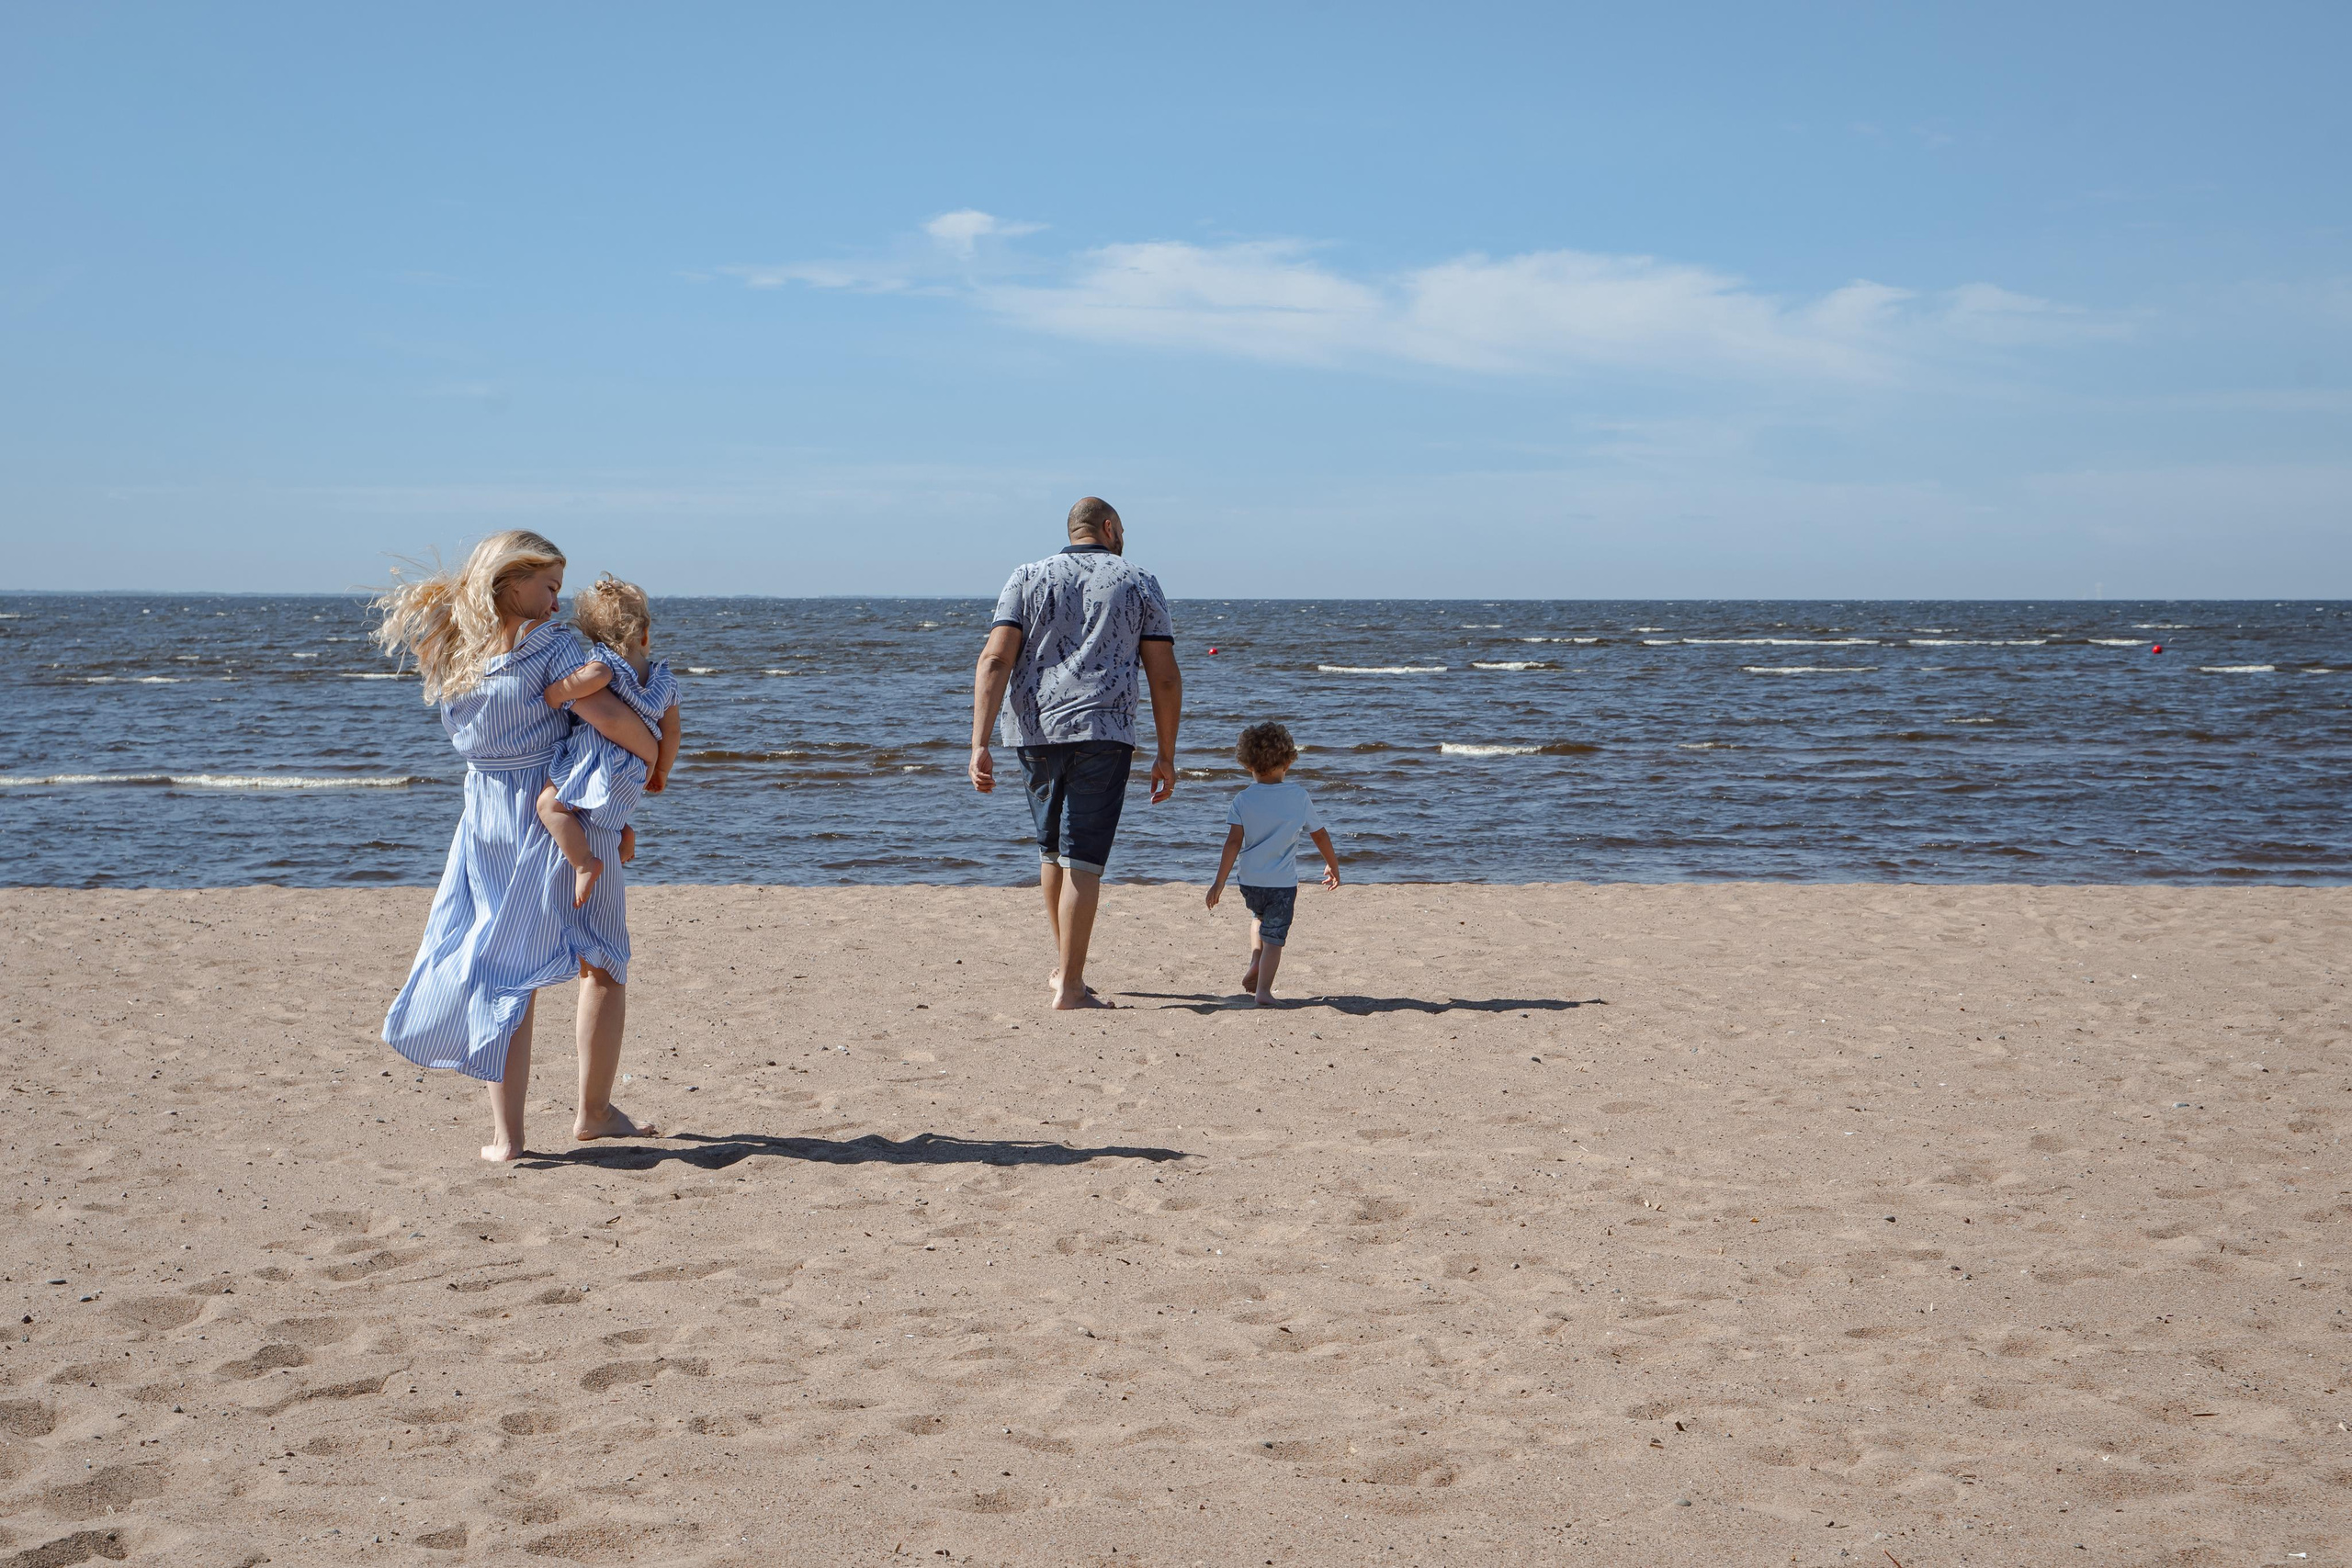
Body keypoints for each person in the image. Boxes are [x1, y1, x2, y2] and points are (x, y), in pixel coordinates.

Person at [371, 530, 661, 1161]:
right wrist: (654, 756)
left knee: (505, 968)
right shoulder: (551, 646)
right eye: (550, 586)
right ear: (510, 579)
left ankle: (508, 1138)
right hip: (560, 812)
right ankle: (594, 1111)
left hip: (485, 820)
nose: (559, 603)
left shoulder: (455, 650)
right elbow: (611, 720)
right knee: (604, 959)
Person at [970, 496, 1182, 1010]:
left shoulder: (1026, 576)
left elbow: (996, 658)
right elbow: (1165, 675)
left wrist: (978, 742)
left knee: (1052, 852)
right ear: (1109, 528)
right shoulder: (1139, 581)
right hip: (1103, 731)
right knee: (1082, 857)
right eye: (1122, 530)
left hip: (1034, 731)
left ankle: (1065, 968)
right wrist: (1167, 754)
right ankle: (1069, 985)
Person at [537, 575, 682, 908]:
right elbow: (672, 731)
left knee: (551, 805)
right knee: (602, 809)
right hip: (636, 769)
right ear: (644, 635)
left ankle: (584, 862)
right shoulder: (666, 680)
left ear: (595, 638)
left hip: (598, 755)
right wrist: (661, 771)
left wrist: (557, 693)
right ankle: (623, 831)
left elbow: (596, 677)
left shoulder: (605, 661)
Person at [1205, 721, 1340, 1007]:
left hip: (1249, 880)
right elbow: (1320, 834)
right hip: (1281, 884)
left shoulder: (1243, 799)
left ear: (1248, 765)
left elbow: (1232, 843)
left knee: (1259, 917)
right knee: (1276, 938)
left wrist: (1219, 882)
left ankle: (1256, 956)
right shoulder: (1299, 796)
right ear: (1288, 762)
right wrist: (1332, 865)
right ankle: (1264, 991)